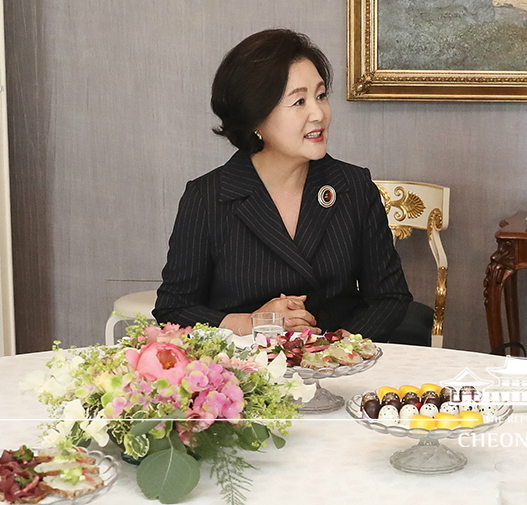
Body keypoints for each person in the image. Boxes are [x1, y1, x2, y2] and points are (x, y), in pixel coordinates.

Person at [154, 29, 412, 338]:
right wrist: (252, 322)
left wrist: (339, 346)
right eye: (299, 101)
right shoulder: (208, 197)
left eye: (320, 96)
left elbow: (389, 297)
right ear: (256, 117)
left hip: (340, 369)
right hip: (246, 373)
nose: (319, 113)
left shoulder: (352, 186)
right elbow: (174, 309)